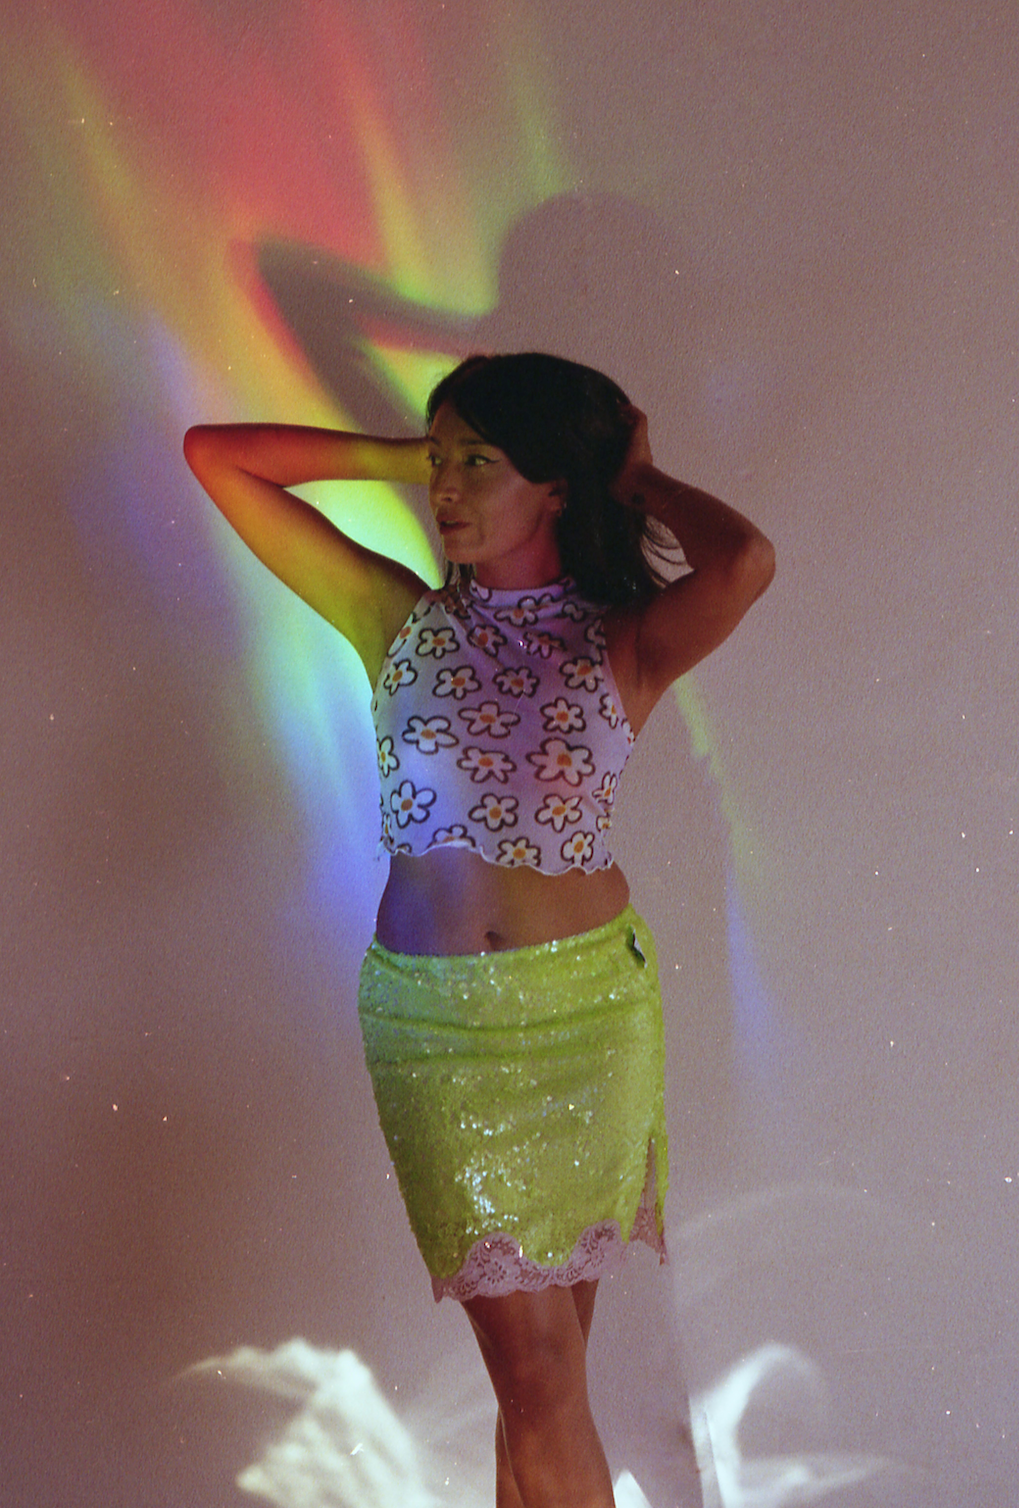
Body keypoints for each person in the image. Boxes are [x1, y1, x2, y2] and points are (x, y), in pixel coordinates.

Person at [184, 352, 774, 1508]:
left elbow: (744, 561)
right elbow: (219, 457)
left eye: (477, 462)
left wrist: (635, 476)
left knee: (541, 1386)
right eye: (438, 459)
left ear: (555, 485)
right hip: (438, 1032)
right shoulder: (393, 616)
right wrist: (406, 453)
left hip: (589, 1020)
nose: (444, 488)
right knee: (540, 1379)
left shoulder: (625, 638)